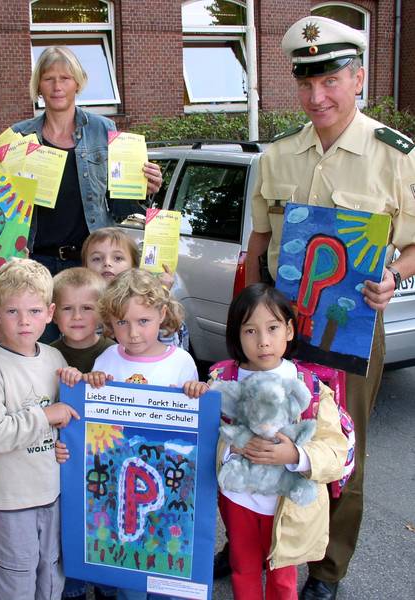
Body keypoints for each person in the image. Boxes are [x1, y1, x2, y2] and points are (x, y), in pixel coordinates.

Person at [244, 15, 415, 600]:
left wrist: (393, 274)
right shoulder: (279, 155)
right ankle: (255, 543)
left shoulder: (393, 156)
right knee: (264, 428)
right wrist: (251, 308)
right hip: (280, 333)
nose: (317, 97)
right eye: (306, 83)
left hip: (351, 332)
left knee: (339, 450)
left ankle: (327, 569)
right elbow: (260, 242)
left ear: (359, 77)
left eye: (331, 81)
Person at [184, 283, 347, 600]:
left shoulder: (310, 387)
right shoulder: (222, 379)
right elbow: (203, 440)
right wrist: (230, 445)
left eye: (272, 328)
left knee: (282, 579)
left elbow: (335, 450)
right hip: (237, 499)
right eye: (250, 331)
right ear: (236, 335)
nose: (263, 341)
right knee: (242, 570)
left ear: (288, 330)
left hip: (286, 507)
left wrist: (295, 454)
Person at [56, 268, 198, 600]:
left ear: (162, 314)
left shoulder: (181, 362)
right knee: (128, 558)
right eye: (122, 323)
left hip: (166, 477)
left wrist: (197, 391)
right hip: (120, 479)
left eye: (143, 321)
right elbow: (89, 421)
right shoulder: (107, 359)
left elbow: (194, 423)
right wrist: (88, 385)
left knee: (163, 551)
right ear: (110, 322)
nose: (133, 333)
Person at [0, 258, 80, 600]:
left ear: (49, 313)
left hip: (53, 493)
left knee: (50, 576)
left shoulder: (55, 359)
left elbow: (67, 420)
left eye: (33, 311)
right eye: (13, 312)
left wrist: (63, 441)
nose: (24, 321)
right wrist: (46, 417)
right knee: (13, 583)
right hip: (12, 501)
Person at [11, 46, 162, 277]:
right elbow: (4, 203)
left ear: (78, 84)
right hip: (35, 263)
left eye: (65, 78)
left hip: (91, 262)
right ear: (39, 86)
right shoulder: (20, 137)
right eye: (48, 79)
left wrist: (144, 187)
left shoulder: (103, 129)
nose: (57, 86)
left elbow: (120, 205)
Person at [51, 266, 116, 600]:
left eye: (87, 308)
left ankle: (107, 586)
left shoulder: (115, 355)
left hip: (107, 464)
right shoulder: (45, 355)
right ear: (52, 313)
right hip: (64, 465)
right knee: (69, 532)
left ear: (102, 313)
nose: (77, 316)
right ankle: (73, 587)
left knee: (106, 527)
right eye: (67, 308)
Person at [81, 227, 189, 349]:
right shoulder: (80, 306)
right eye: (96, 258)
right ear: (85, 266)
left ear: (134, 265)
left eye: (118, 258)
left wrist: (162, 292)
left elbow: (171, 354)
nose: (107, 263)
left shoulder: (150, 302)